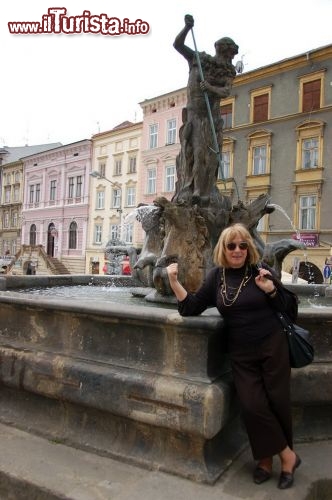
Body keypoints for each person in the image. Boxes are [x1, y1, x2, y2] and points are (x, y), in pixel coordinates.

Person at [166, 223, 301, 490]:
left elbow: (291, 309)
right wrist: (173, 281)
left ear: (249, 247)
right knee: (253, 406)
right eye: (231, 246)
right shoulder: (217, 277)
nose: (237, 250)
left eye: (242, 245)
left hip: (273, 347)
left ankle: (267, 461)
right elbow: (190, 307)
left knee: (277, 403)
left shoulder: (262, 271)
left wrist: (271, 291)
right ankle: (288, 455)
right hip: (241, 353)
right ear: (223, 249)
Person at [172, 14, 238, 207]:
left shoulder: (228, 71)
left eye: (231, 57)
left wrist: (209, 88)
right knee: (191, 153)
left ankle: (201, 190)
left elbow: (225, 91)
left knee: (206, 154)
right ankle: (189, 187)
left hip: (210, 117)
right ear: (221, 51)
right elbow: (177, 45)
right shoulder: (199, 59)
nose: (230, 59)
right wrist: (186, 28)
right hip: (193, 114)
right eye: (229, 55)